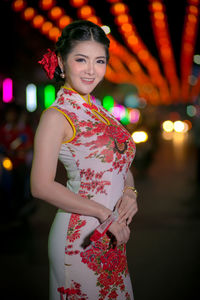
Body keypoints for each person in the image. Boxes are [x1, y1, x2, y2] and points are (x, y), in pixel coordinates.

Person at [31, 20, 138, 300]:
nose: (91, 70)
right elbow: (41, 186)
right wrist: (104, 214)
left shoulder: (100, 111)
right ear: (62, 64)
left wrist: (130, 191)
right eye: (81, 59)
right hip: (82, 236)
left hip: (112, 233)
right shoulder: (57, 116)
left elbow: (120, 164)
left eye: (99, 61)